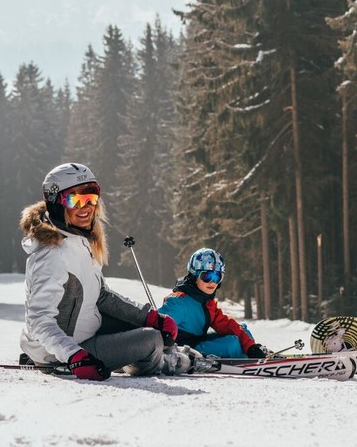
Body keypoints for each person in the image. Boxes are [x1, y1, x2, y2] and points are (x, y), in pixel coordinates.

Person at [19, 162, 193, 379]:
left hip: (85, 332)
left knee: (151, 328)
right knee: (151, 340)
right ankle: (165, 362)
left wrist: (149, 317)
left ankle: (145, 354)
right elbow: (39, 320)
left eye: (91, 198)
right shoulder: (52, 256)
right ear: (56, 203)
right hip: (65, 351)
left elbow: (100, 295)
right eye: (75, 200)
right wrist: (74, 356)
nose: (86, 207)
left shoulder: (79, 239)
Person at [159, 248, 266, 358]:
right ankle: (249, 360)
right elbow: (158, 321)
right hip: (186, 351)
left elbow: (227, 325)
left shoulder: (207, 303)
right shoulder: (179, 301)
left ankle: (253, 353)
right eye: (207, 276)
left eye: (217, 276)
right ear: (194, 276)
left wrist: (250, 347)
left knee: (241, 330)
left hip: (200, 342)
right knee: (231, 344)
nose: (212, 282)